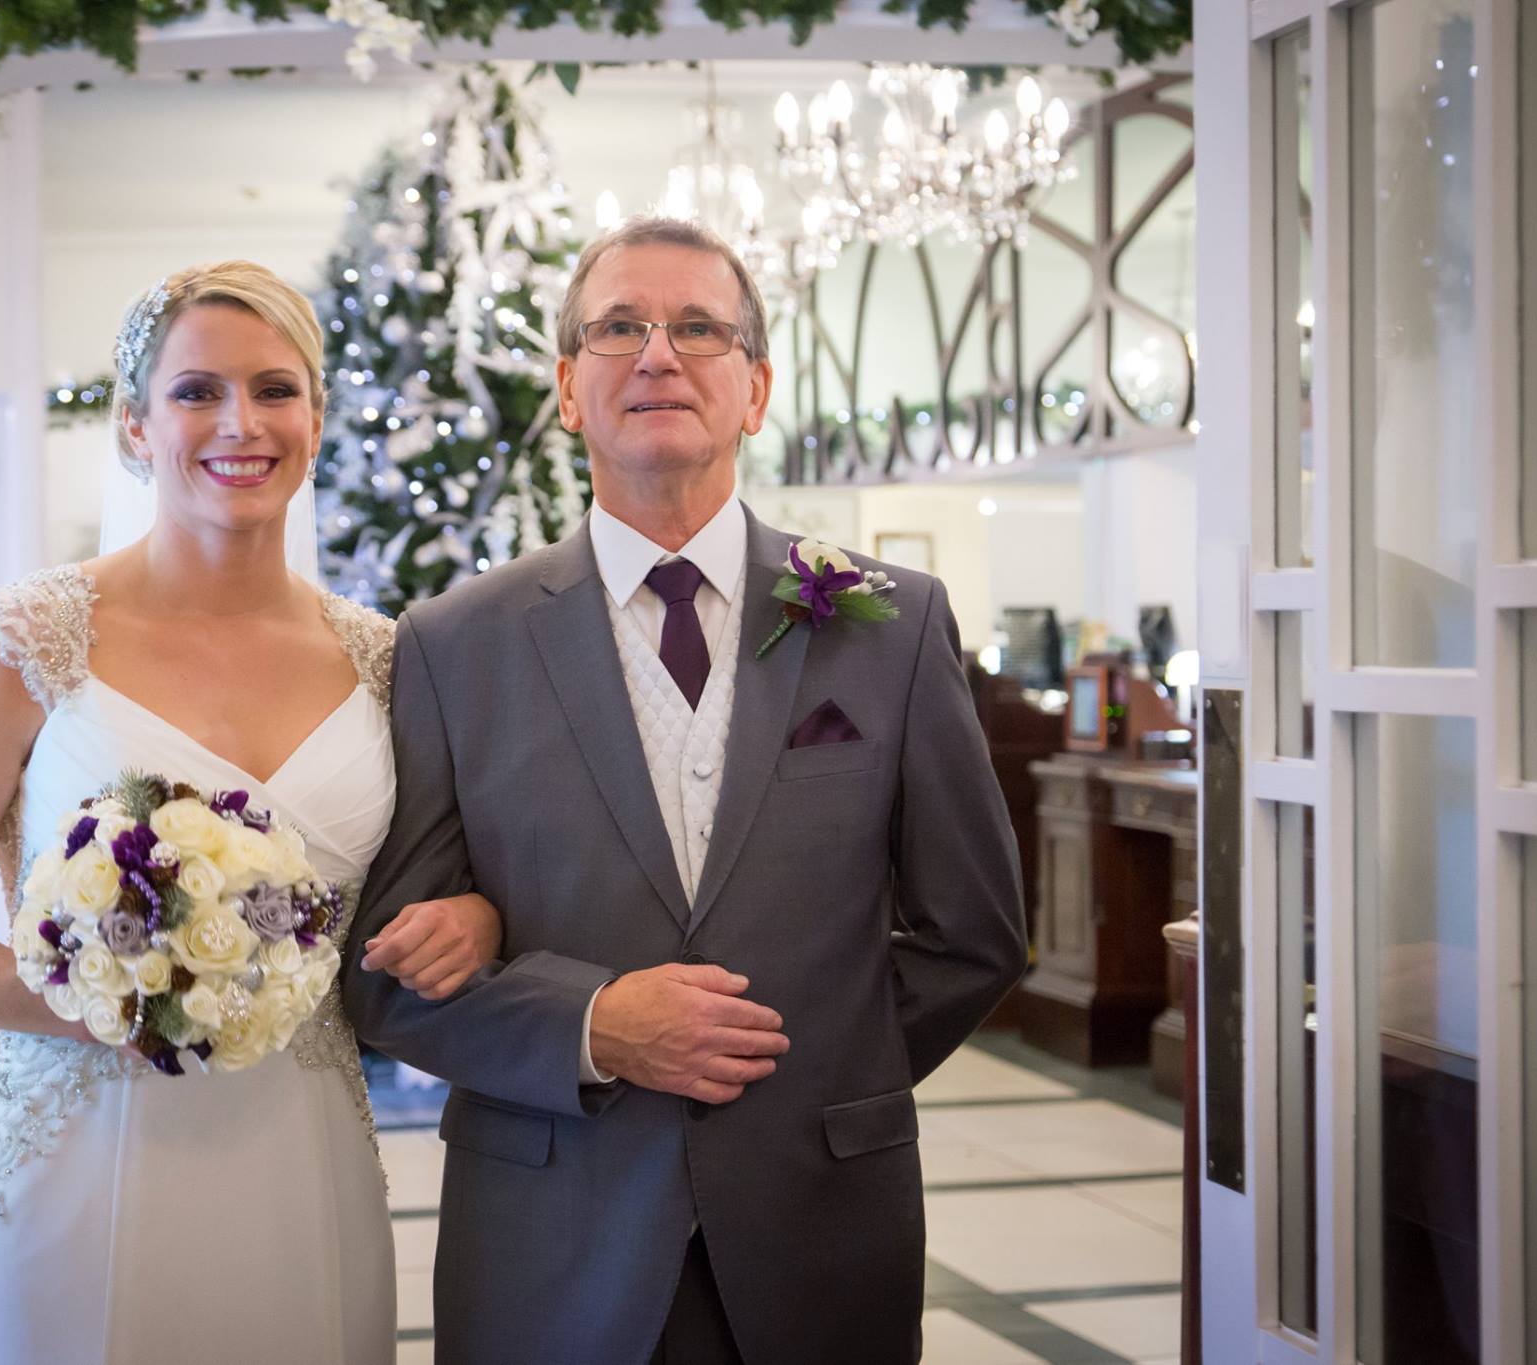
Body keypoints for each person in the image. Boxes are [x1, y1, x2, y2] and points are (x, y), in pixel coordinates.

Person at [343, 217, 1028, 1365]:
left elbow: (975, 935)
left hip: (819, 1223)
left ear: (754, 389)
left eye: (698, 328)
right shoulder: (451, 645)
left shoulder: (889, 624)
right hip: (551, 1234)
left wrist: (802, 1075)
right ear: (568, 389)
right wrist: (595, 1029)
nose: (657, 354)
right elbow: (389, 978)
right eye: (618, 327)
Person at [0, 260, 501, 1364]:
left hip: (300, 1154)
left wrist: (476, 920)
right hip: (77, 1149)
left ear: (316, 416)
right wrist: (125, 1003)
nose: (238, 423)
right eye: (196, 391)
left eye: (274, 389)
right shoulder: (17, 644)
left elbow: (452, 883)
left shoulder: (390, 662)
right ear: (135, 426)